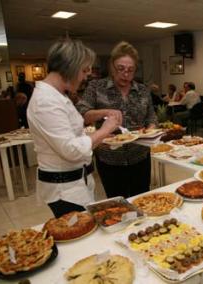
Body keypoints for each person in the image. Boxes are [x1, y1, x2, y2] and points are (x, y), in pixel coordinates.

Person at [27, 39, 122, 218]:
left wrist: (98, 134)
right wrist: (105, 130)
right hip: (64, 190)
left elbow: (73, 134)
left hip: (77, 181)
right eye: (84, 70)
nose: (86, 76)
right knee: (78, 238)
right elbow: (70, 149)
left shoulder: (57, 95)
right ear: (69, 67)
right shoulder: (46, 101)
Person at [76, 41, 157, 199]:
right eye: (120, 69)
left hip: (139, 156)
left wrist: (151, 129)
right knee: (117, 204)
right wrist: (105, 112)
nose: (125, 74)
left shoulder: (142, 90)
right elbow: (81, 112)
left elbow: (151, 116)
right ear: (112, 66)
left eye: (130, 70)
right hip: (109, 159)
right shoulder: (96, 87)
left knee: (141, 200)